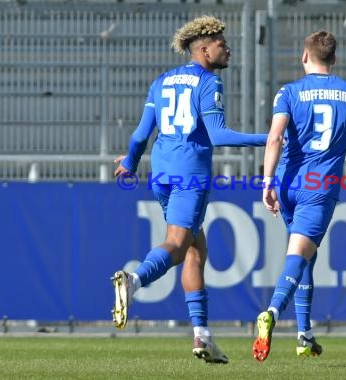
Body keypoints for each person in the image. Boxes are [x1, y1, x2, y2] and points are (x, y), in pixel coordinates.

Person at [111, 15, 267, 364]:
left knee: (196, 248)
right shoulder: (208, 82)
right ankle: (133, 281)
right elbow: (218, 135)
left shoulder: (162, 81)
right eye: (222, 44)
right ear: (203, 48)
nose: (228, 48)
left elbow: (140, 135)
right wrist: (270, 138)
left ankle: (203, 336)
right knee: (179, 245)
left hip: (161, 173)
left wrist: (130, 164)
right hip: (189, 175)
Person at [252, 29, 346, 362]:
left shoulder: (289, 92)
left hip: (287, 183)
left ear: (304, 56)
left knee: (306, 255)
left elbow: (275, 138)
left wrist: (267, 182)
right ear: (334, 59)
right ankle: (271, 313)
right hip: (318, 188)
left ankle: (304, 335)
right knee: (298, 255)